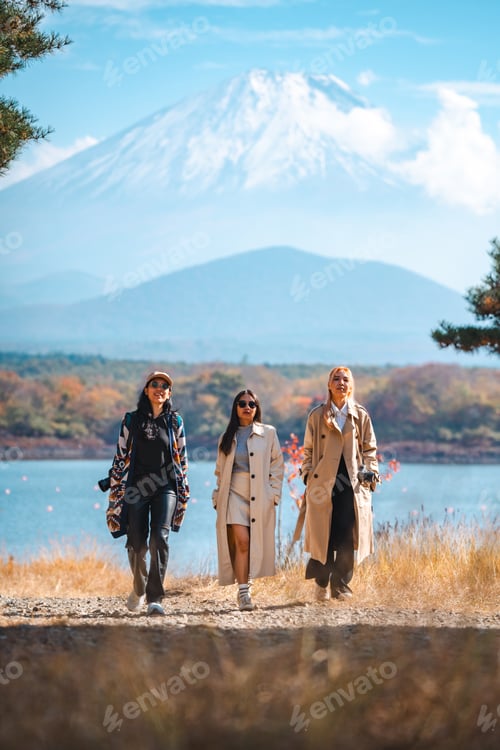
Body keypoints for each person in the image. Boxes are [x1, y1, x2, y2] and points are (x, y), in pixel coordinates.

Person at [106, 370, 189, 616]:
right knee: (136, 543)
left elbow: (182, 459)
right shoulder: (131, 420)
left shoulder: (175, 422)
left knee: (159, 538)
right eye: (155, 384)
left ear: (169, 393)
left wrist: (184, 489)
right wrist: (114, 484)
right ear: (146, 390)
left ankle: (156, 598)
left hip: (166, 487)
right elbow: (121, 455)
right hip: (136, 488)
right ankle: (139, 586)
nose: (159, 388)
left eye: (165, 386)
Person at [294, 366, 379, 601]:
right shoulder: (316, 415)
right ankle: (321, 583)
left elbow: (370, 449)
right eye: (336, 379)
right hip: (323, 483)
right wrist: (307, 476)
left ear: (351, 386)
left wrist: (371, 474)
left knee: (345, 535)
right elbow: (308, 451)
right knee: (324, 535)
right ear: (329, 385)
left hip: (350, 483)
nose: (341, 383)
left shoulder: (360, 415)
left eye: (345, 379)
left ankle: (340, 586)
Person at [212, 389, 284, 611]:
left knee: (254, 543)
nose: (247, 407)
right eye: (242, 403)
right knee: (241, 542)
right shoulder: (226, 437)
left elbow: (277, 466)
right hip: (233, 494)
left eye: (251, 404)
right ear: (235, 407)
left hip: (260, 495)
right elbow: (219, 470)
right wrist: (217, 497)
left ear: (257, 408)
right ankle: (244, 593)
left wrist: (273, 494)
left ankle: (247, 584)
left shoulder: (269, 433)